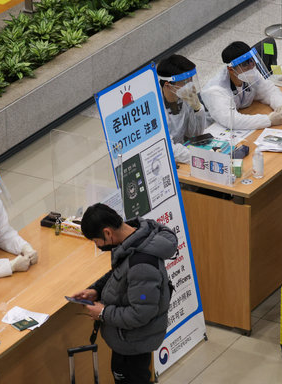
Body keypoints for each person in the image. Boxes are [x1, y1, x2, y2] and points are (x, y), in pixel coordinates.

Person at [72, 203, 177, 383]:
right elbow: (120, 275)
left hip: (134, 344)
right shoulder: (134, 238)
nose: (97, 246)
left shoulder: (142, 265)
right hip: (127, 341)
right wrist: (96, 290)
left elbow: (140, 313)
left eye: (95, 241)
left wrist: (103, 313)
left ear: (107, 233)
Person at [201, 41, 282, 130]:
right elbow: (232, 120)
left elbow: (269, 90)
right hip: (215, 128)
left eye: (252, 60)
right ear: (230, 69)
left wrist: (280, 104)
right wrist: (268, 120)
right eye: (245, 64)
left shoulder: (249, 72)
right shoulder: (215, 90)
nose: (251, 66)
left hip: (243, 116)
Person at [157, 54, 212, 164]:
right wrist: (203, 158)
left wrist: (197, 108)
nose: (190, 86)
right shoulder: (157, 107)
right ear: (168, 85)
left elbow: (194, 133)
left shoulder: (183, 96)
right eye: (185, 82)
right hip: (167, 160)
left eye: (191, 80)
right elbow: (168, 149)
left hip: (184, 152)